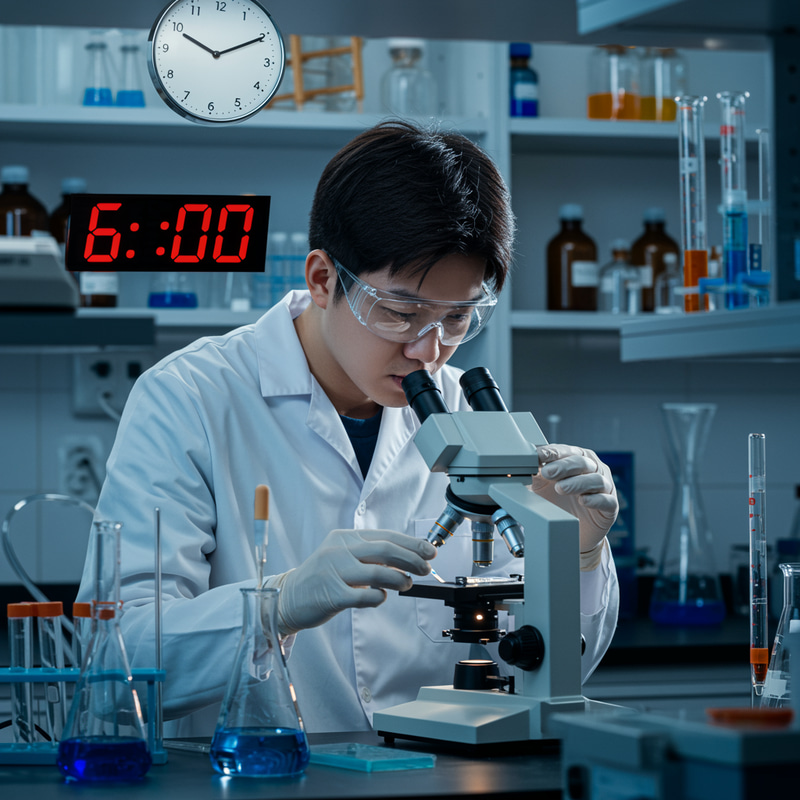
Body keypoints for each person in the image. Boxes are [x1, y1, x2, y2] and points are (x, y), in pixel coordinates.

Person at [77, 120, 619, 737]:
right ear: (322, 279)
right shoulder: (190, 399)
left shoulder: (470, 414)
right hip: (259, 782)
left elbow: (541, 665)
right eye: (399, 312)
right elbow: (110, 666)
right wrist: (274, 607)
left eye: (460, 318)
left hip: (436, 777)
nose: (429, 350)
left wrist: (573, 554)